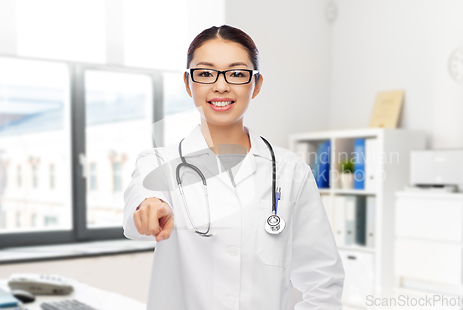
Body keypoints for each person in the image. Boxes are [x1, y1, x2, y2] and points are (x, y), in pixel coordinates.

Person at [123, 25, 344, 310]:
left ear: (257, 84)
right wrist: (150, 206)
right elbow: (139, 205)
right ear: (188, 84)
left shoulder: (290, 170)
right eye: (205, 73)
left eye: (237, 73)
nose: (221, 86)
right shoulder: (158, 162)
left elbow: (322, 279)